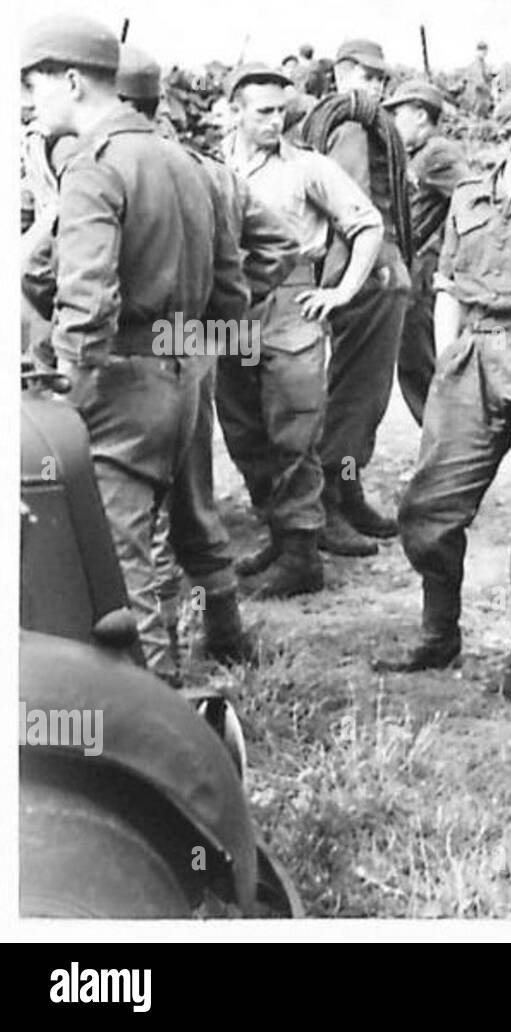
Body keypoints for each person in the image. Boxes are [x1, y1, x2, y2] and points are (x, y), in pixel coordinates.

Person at [19, 14, 237, 677]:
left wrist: (64, 386)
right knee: (157, 534)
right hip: (182, 375)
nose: (29, 103)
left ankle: (159, 706)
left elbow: (86, 301)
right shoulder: (187, 162)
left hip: (117, 382)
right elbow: (230, 290)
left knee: (120, 557)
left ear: (73, 80)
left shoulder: (94, 166)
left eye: (34, 85)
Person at [377, 85, 511, 702]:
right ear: (509, 139)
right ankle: (438, 631)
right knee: (428, 508)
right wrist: (447, 359)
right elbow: (448, 285)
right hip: (473, 359)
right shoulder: (468, 198)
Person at [118, 46, 298, 658]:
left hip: (137, 357)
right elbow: (280, 243)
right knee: (192, 497)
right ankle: (224, 635)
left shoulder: (112, 170)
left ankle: (160, 657)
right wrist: (226, 319)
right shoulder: (212, 172)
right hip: (192, 347)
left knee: (141, 507)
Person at [218, 64, 384, 597]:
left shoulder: (308, 167)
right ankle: (277, 531)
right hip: (229, 304)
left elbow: (367, 224)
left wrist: (340, 292)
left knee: (294, 428)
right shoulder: (214, 166)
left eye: (280, 110)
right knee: (243, 428)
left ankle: (302, 556)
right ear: (234, 111)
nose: (274, 120)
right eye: (262, 111)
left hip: (290, 301)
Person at [299, 40, 414, 556]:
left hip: (375, 275)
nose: (376, 87)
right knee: (355, 392)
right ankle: (327, 503)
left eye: (380, 80)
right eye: (368, 76)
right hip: (369, 276)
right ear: (343, 72)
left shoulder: (364, 125)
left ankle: (347, 488)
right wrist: (345, 286)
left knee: (364, 393)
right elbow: (352, 212)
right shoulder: (351, 127)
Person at [382, 80, 470, 426]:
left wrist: (447, 252)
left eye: (398, 114)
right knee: (412, 363)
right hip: (411, 265)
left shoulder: (439, 153)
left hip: (424, 270)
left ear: (420, 115)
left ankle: (443, 444)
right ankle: (436, 443)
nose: (393, 122)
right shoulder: (415, 156)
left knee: (421, 363)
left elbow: (470, 198)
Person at [464, 42, 494, 118]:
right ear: (477, 51)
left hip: (483, 101)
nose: (484, 52)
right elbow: (479, 83)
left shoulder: (485, 65)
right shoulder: (474, 65)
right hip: (476, 100)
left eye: (485, 50)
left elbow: (489, 78)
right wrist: (492, 92)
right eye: (481, 50)